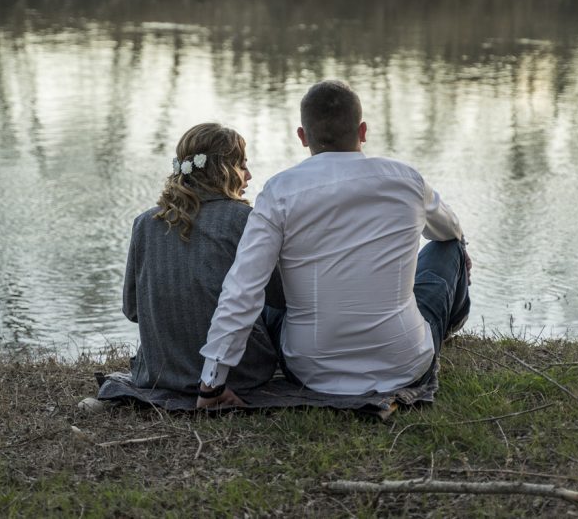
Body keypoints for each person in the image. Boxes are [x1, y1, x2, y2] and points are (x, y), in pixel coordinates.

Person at [196, 80, 470, 407]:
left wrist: (212, 383)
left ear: (302, 136)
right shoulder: (406, 179)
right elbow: (450, 229)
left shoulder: (279, 191)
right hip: (404, 363)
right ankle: (446, 330)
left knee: (265, 288)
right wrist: (459, 247)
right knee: (449, 247)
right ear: (363, 130)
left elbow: (243, 287)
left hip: (309, 369)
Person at [122, 123, 283, 394]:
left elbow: (133, 310)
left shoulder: (143, 223)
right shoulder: (244, 220)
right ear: (224, 170)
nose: (249, 175)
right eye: (243, 166)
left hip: (160, 372)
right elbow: (280, 298)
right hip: (241, 373)